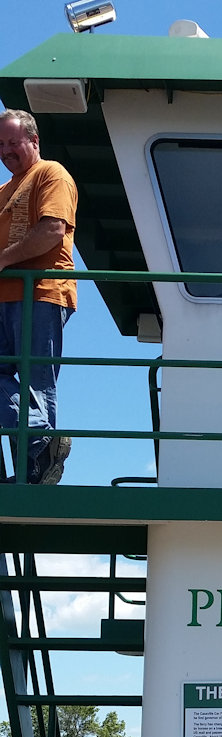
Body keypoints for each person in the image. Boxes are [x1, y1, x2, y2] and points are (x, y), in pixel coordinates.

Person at [0, 108, 77, 484]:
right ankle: (41, 445)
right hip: (6, 297)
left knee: (36, 381)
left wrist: (3, 260)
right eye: (0, 145)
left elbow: (52, 230)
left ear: (34, 140)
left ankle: (35, 468)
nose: (6, 151)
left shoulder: (51, 173)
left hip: (41, 292)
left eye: (12, 142)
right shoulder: (5, 190)